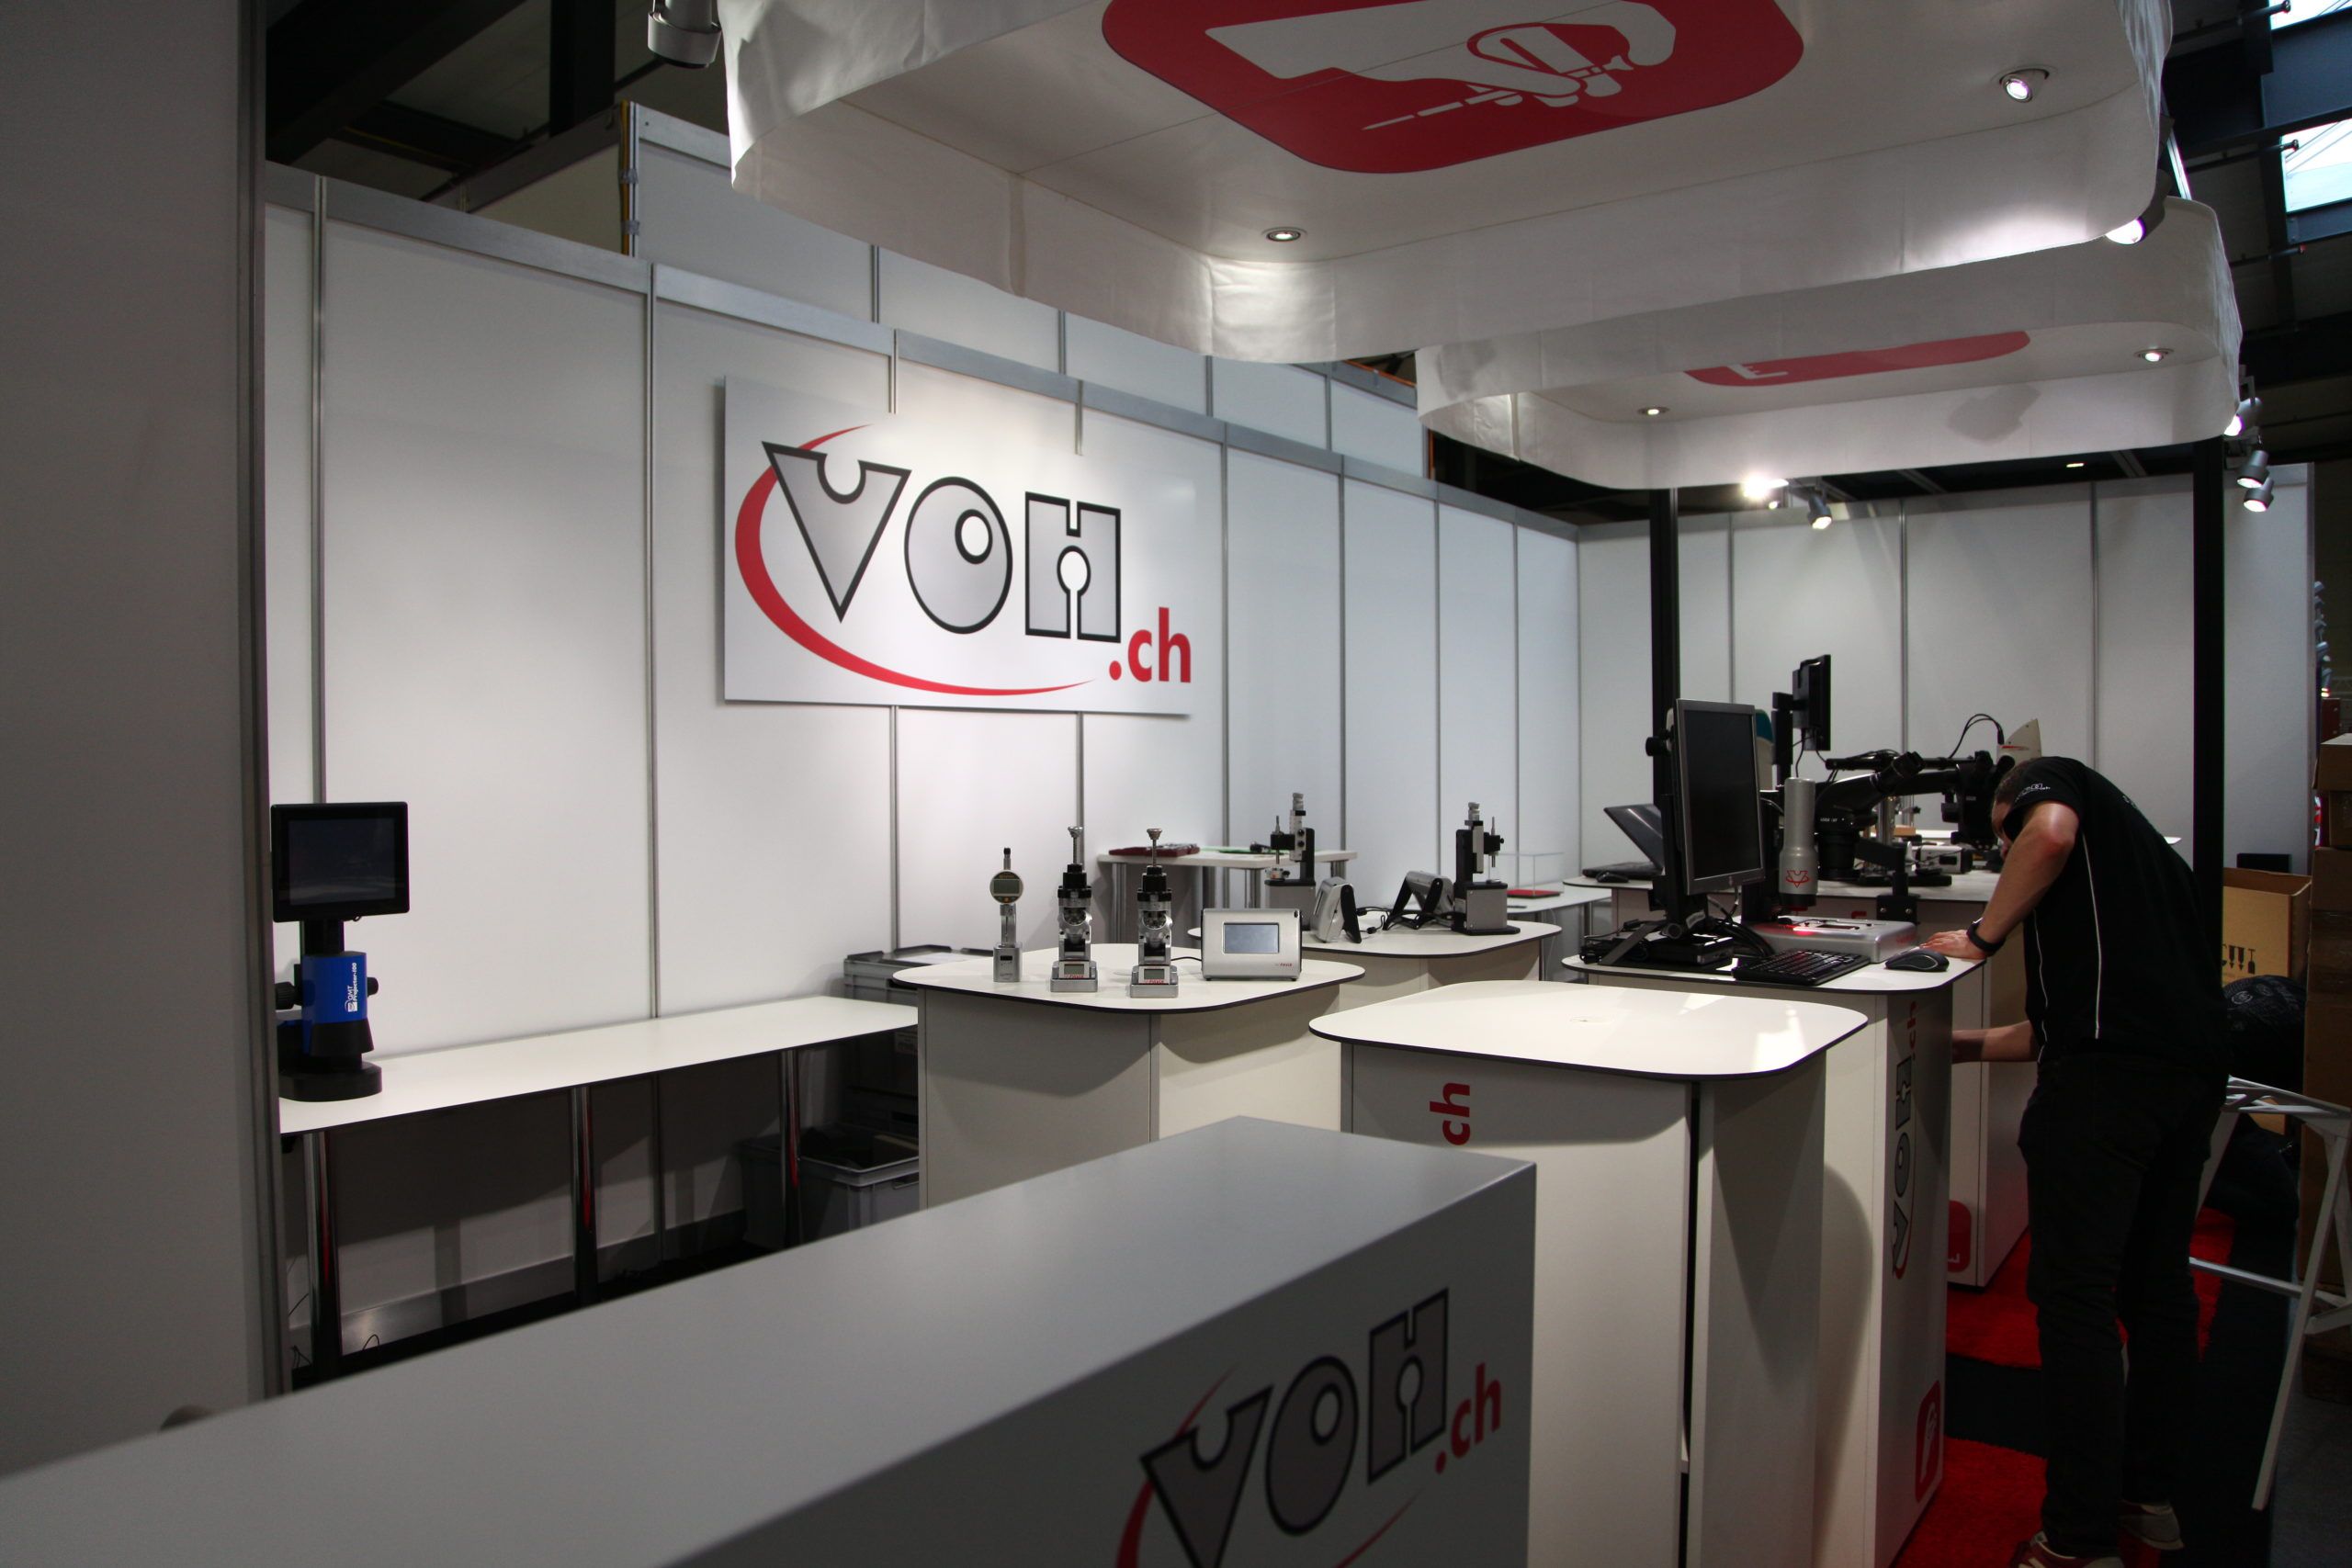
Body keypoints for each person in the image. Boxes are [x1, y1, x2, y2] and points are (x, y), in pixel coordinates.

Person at [1924, 756, 2228, 1568]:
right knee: (2155, 1288)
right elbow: (2064, 1027)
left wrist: (1981, 937)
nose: (2011, 850)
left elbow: (2048, 835)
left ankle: (2079, 1540)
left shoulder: (2051, 784)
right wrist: (1960, 1046)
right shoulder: (2148, 870)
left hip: (2104, 1096)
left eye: (2004, 837)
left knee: (2074, 1303)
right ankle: (2147, 1501)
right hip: (2185, 1082)